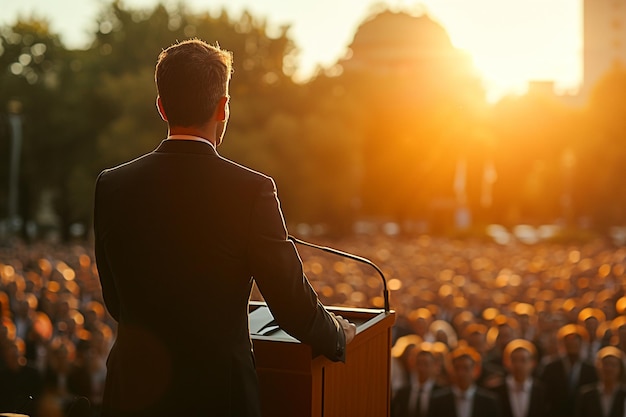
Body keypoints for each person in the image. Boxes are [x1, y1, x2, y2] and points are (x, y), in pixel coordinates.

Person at [93, 39, 356, 417]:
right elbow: (291, 306)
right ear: (223, 107)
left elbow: (116, 301)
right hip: (218, 395)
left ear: (161, 107)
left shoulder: (111, 185)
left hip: (133, 392)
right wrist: (337, 335)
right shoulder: (251, 190)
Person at [540, 324, 598, 417]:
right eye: (568, 342)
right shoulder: (550, 367)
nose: (572, 344)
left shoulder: (591, 369)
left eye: (576, 341)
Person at [427, 345, 500, 417]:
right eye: (457, 368)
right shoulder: (438, 401)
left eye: (466, 368)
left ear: (476, 371)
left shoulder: (488, 402)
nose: (461, 373)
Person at [491, 339, 548, 417]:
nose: (518, 365)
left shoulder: (541, 391)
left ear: (532, 363)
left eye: (523, 360)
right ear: (506, 362)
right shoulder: (495, 391)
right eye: (514, 360)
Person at [574, 346, 626, 417]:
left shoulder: (623, 395)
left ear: (620, 369)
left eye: (613, 365)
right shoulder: (586, 395)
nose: (609, 369)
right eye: (605, 364)